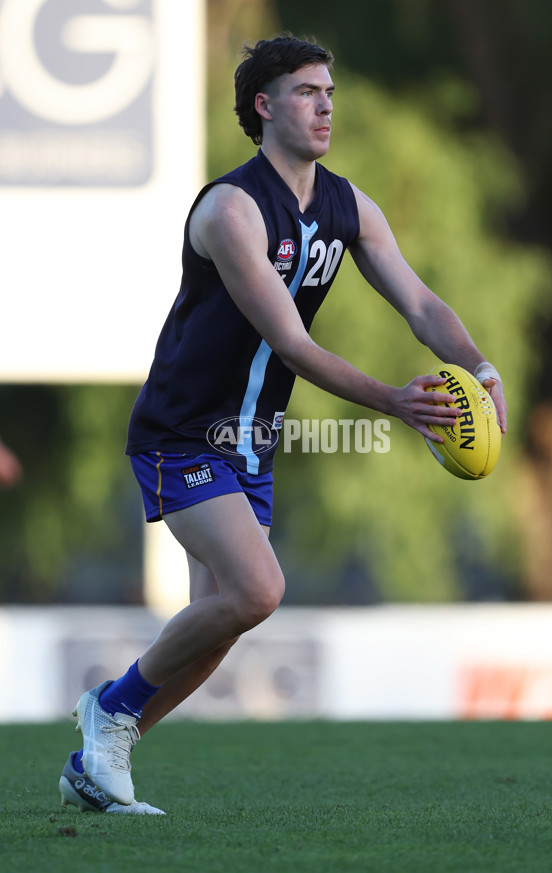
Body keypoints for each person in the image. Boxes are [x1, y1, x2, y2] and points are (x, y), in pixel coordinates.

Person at [59, 35, 507, 814]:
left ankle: (97, 757)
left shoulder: (347, 206)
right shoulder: (230, 210)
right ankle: (111, 708)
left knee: (220, 622)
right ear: (263, 107)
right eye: (306, 91)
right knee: (259, 589)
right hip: (182, 429)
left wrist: (482, 368)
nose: (326, 103)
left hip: (251, 442)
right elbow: (291, 343)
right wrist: (397, 402)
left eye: (330, 91)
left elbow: (423, 305)